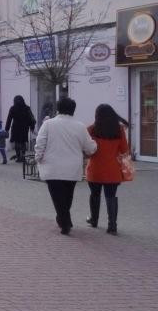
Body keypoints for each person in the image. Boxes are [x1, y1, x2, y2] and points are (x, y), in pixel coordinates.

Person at [35, 97, 96, 235]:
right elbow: (90, 147)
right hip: (72, 168)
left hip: (52, 167)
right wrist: (96, 146)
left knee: (57, 196)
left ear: (58, 109)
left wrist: (38, 157)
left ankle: (64, 222)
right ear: (73, 110)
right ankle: (64, 218)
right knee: (68, 196)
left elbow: (40, 143)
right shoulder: (80, 126)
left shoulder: (48, 124)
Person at [85, 104, 129, 235]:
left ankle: (94, 220)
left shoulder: (91, 130)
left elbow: (87, 149)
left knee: (95, 194)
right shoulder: (119, 130)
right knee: (111, 196)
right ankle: (112, 226)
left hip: (95, 170)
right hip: (112, 170)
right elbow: (124, 150)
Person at [5, 95, 36, 163]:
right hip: (24, 128)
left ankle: (19, 156)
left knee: (17, 142)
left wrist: (6, 129)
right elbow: (31, 118)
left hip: (16, 127)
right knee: (23, 142)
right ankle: (23, 156)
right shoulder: (27, 108)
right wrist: (32, 127)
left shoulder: (13, 108)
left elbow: (9, 119)